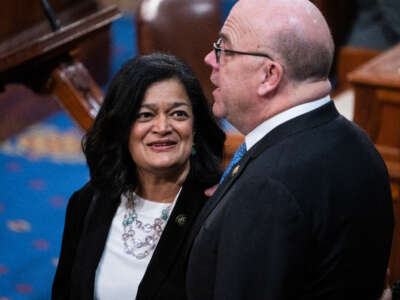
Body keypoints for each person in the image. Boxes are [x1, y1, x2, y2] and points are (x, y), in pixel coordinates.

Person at [186, 0, 394, 299]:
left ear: (269, 75)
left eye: (224, 50)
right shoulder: (359, 143)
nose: (210, 59)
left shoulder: (267, 190)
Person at [51, 53, 225, 299]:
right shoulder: (87, 202)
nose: (163, 127)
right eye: (145, 115)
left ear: (195, 128)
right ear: (122, 128)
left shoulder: (218, 210)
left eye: (178, 114)